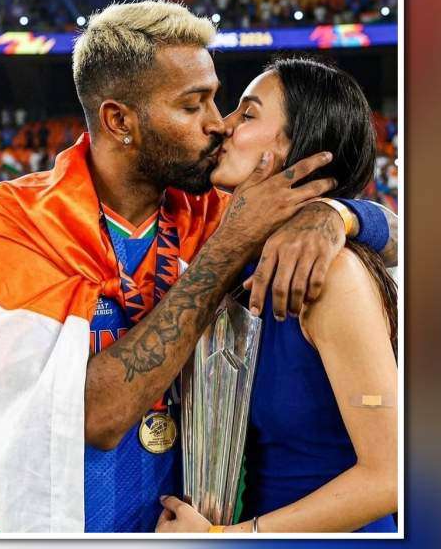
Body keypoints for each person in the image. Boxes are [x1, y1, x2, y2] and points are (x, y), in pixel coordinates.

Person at [0, 0, 398, 534]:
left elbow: (398, 240)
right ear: (119, 120)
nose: (217, 124)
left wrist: (338, 214)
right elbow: (96, 417)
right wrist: (230, 247)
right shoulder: (14, 224)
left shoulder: (212, 208)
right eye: (192, 105)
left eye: (224, 103)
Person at [155, 57, 397, 533]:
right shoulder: (241, 252)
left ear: (296, 150)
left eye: (247, 114)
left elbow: (390, 476)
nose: (224, 126)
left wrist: (223, 538)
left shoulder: (331, 274)